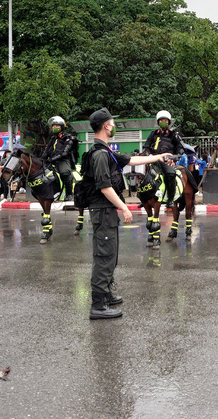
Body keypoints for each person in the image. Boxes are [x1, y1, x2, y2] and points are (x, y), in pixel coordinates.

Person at [85, 108, 171, 320]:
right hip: (103, 210)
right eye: (112, 124)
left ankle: (106, 294)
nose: (114, 127)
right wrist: (124, 208)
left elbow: (130, 160)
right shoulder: (100, 154)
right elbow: (105, 187)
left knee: (110, 255)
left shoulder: (106, 150)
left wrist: (158, 157)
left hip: (106, 211)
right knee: (104, 256)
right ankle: (98, 305)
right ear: (106, 126)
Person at [142, 110, 185, 207]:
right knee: (142, 175)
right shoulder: (153, 134)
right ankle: (144, 198)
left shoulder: (173, 135)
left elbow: (180, 149)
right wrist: (149, 154)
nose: (163, 122)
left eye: (165, 120)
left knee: (170, 174)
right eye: (161, 120)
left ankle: (170, 199)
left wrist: (173, 158)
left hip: (166, 161)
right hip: (153, 160)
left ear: (169, 122)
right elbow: (147, 146)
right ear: (158, 122)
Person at [41, 116, 78, 201]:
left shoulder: (68, 138)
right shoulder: (53, 139)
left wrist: (53, 159)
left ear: (62, 127)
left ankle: (69, 194)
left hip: (63, 160)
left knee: (64, 173)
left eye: (57, 126)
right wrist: (42, 159)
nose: (54, 127)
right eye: (53, 126)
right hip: (51, 160)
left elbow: (65, 152)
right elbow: (47, 151)